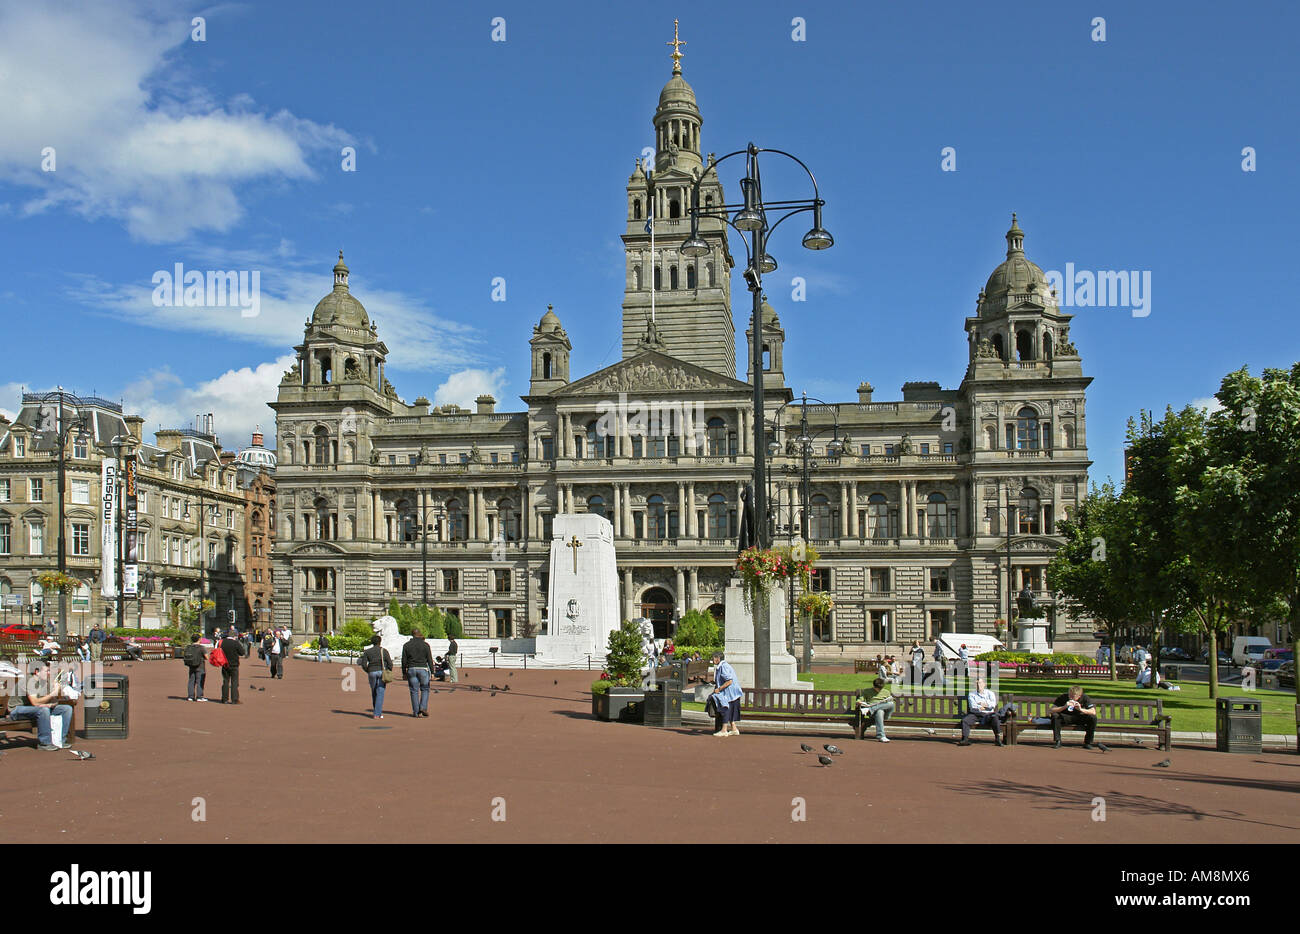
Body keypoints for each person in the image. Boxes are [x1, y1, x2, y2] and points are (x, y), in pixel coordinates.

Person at [8, 660, 74, 750]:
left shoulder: (44, 682)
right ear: (37, 672)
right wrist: (52, 694)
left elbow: (52, 700)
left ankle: (60, 740)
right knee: (43, 710)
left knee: (66, 709)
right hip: (17, 710)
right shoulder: (28, 681)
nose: (49, 673)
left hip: (33, 708)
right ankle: (45, 743)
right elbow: (35, 702)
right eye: (47, 671)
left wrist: (56, 691)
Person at [957, 676, 1004, 746]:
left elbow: (992, 705)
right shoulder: (971, 694)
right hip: (975, 714)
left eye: (980, 683)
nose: (978, 685)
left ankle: (997, 739)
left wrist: (980, 705)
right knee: (965, 720)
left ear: (984, 684)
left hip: (988, 714)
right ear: (974, 685)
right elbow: (973, 707)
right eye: (976, 683)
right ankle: (965, 739)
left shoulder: (990, 693)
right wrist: (985, 706)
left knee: (995, 718)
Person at [401, 628, 435, 717]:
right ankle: (423, 707)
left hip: (411, 668)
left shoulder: (406, 645)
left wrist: (404, 672)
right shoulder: (425, 645)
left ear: (412, 634)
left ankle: (416, 712)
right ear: (419, 634)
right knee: (425, 689)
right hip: (423, 668)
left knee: (414, 691)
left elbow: (403, 660)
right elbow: (429, 659)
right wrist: (432, 672)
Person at [709, 651, 743, 737]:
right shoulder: (724, 666)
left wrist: (719, 689)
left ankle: (724, 730)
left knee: (725, 708)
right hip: (733, 693)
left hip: (730, 693)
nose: (712, 659)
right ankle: (734, 729)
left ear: (718, 658)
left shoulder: (723, 667)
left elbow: (729, 681)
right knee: (729, 708)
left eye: (713, 657)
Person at [360, 635, 392, 719]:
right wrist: (388, 670)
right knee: (380, 692)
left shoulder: (367, 652)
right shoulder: (384, 651)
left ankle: (376, 710)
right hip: (381, 671)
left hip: (371, 671)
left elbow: (363, 664)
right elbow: (390, 663)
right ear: (380, 641)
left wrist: (368, 670)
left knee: (374, 691)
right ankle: (377, 713)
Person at [858, 676, 895, 742]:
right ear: (874, 686)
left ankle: (872, 709)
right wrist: (859, 702)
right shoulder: (867, 691)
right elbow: (860, 699)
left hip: (885, 714)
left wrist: (889, 699)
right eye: (878, 688)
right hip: (874, 714)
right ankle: (881, 736)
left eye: (881, 688)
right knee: (879, 712)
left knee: (891, 704)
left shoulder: (886, 692)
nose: (879, 690)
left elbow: (889, 703)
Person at [220, 628, 246, 704]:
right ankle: (234, 699)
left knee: (225, 681)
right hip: (234, 664)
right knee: (234, 682)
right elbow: (242, 652)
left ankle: (224, 699)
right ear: (234, 636)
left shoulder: (223, 642)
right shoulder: (236, 643)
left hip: (224, 664)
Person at [182, 633, 208, 701]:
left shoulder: (188, 647)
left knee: (191, 681)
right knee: (200, 681)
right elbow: (206, 657)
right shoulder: (201, 647)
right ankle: (199, 696)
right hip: (200, 666)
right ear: (199, 639)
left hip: (191, 665)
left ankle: (190, 696)